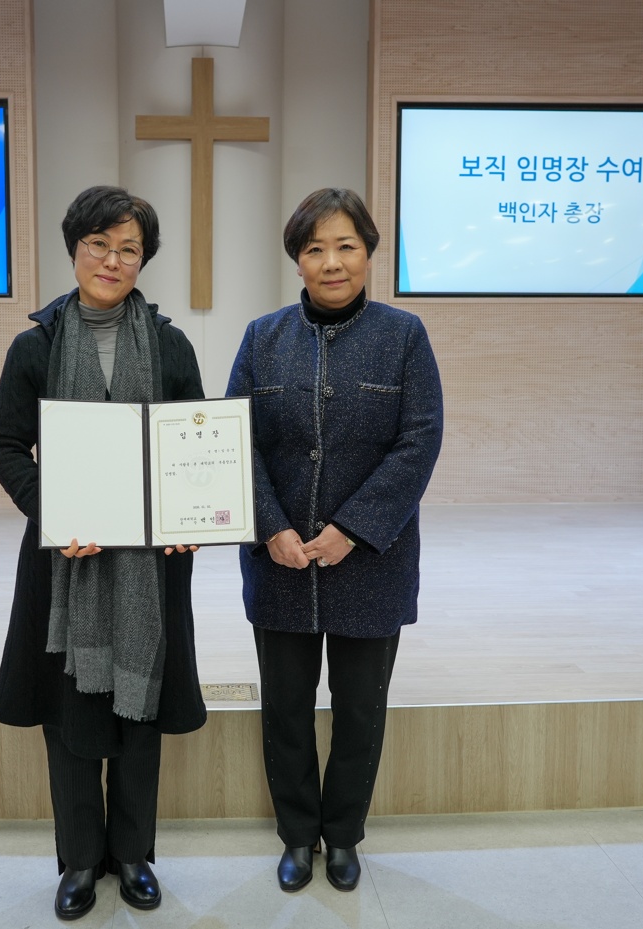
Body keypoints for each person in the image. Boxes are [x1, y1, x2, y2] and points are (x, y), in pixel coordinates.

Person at [0, 185, 206, 921]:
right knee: (72, 709)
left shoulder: (171, 344)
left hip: (151, 561)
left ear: (145, 259)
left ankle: (135, 853)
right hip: (67, 558)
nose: (113, 260)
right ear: (74, 248)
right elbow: (7, 446)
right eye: (99, 245)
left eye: (129, 249)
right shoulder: (37, 345)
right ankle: (82, 858)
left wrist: (188, 513)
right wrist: (55, 511)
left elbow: (193, 446)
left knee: (140, 706)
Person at [226, 188, 443, 893]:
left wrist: (352, 528)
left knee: (359, 709)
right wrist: (272, 526)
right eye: (315, 248)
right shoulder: (263, 338)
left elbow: (419, 441)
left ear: (370, 254)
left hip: (371, 562)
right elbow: (235, 443)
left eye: (346, 245)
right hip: (280, 559)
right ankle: (296, 834)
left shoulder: (404, 335)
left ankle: (344, 835)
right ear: (297, 261)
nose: (331, 261)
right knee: (284, 708)